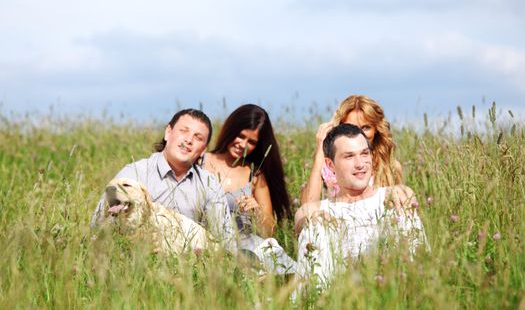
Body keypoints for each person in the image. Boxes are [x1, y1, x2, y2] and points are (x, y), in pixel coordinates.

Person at [295, 124, 428, 288]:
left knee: (402, 209)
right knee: (314, 227)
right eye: (349, 156)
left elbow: (408, 196)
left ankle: (417, 289)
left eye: (364, 153)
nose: (360, 164)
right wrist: (310, 219)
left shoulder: (390, 196)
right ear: (330, 165)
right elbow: (302, 216)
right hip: (337, 291)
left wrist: (401, 192)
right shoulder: (322, 209)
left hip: (390, 282)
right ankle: (315, 306)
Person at [92, 109, 235, 249]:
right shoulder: (134, 173)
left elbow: (226, 241)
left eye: (198, 138)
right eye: (183, 131)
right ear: (168, 132)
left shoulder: (209, 184)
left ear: (204, 149)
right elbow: (98, 226)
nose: (189, 140)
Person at [203, 104, 296, 274]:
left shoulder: (255, 174)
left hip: (247, 246)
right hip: (205, 245)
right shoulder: (200, 161)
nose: (243, 144)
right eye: (240, 136)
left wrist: (257, 211)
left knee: (291, 273)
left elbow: (269, 232)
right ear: (231, 129)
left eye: (251, 142)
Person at [300, 95, 408, 207]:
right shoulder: (328, 167)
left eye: (366, 127)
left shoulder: (390, 167)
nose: (359, 134)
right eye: (351, 127)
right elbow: (306, 210)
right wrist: (320, 153)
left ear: (376, 129)